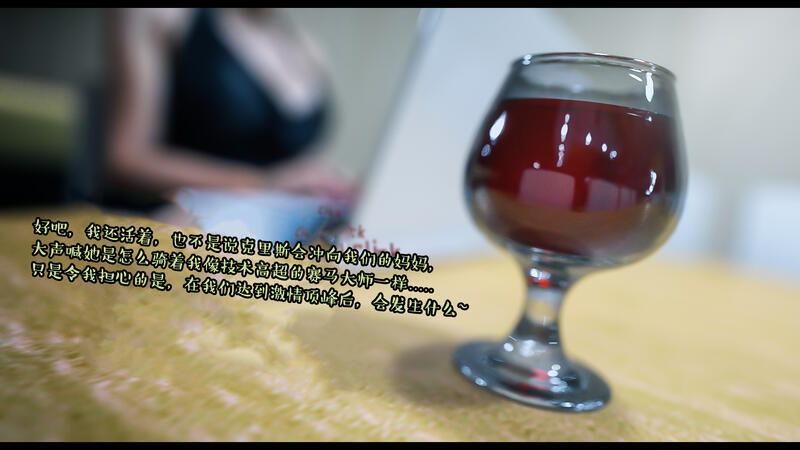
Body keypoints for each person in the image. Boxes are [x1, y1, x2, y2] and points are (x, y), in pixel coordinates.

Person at [104, 8, 357, 217]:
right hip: (175, 218)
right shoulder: (165, 15)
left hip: (264, 226)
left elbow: (287, 157)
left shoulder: (306, 47)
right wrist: (264, 183)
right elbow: (127, 159)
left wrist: (323, 182)